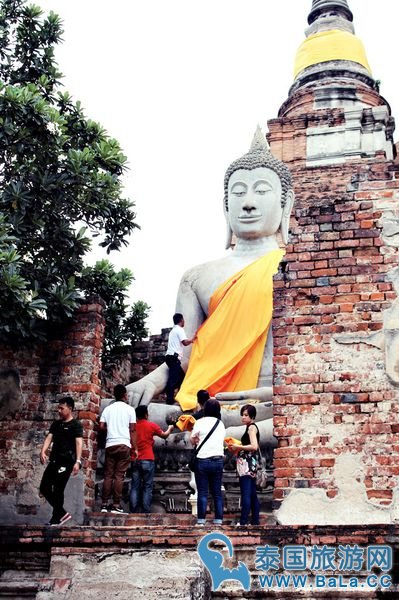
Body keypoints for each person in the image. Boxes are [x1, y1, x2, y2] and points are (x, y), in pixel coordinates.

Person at [127, 127, 294, 421]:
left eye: (263, 191)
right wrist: (150, 382)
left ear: (286, 203)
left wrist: (278, 394)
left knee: (280, 416)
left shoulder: (295, 267)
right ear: (225, 206)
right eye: (238, 192)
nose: (248, 202)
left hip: (271, 398)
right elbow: (186, 354)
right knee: (127, 412)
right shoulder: (197, 277)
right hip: (207, 400)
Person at [39, 396, 83, 526]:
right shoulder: (56, 424)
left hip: (67, 462)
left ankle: (56, 518)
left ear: (69, 409)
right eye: (58, 408)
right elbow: (49, 438)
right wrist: (43, 451)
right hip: (54, 461)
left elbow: (79, 443)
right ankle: (62, 513)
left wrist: (78, 461)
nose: (58, 410)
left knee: (58, 489)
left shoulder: (76, 425)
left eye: (61, 408)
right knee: (44, 487)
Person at [99, 384, 137, 513]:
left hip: (110, 444)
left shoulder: (107, 410)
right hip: (124, 444)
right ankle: (116, 505)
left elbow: (101, 426)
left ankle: (104, 504)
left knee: (108, 475)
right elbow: (132, 430)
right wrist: (135, 448)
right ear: (125, 395)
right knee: (119, 476)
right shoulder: (130, 410)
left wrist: (110, 429)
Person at [129, 405, 174, 513]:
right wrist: (170, 428)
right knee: (147, 486)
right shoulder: (151, 425)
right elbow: (164, 435)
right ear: (146, 414)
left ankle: (133, 511)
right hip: (148, 458)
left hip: (135, 459)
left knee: (135, 486)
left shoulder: (132, 427)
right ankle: (146, 510)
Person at [190, 399, 226, 526]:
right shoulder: (220, 424)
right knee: (217, 493)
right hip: (217, 460)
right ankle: (218, 520)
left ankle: (201, 521)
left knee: (203, 492)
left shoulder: (199, 422)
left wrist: (195, 439)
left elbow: (193, 440)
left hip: (203, 460)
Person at [228, 404, 260, 526]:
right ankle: (255, 521)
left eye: (246, 415)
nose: (243, 417)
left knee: (246, 493)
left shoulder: (251, 428)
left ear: (252, 416)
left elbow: (254, 446)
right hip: (249, 463)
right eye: (242, 415)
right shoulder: (250, 427)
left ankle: (243, 522)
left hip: (247, 464)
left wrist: (238, 447)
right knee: (252, 493)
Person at [164, 313, 196, 405]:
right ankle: (169, 399)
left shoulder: (173, 331)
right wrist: (192, 339)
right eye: (183, 320)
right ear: (181, 320)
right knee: (173, 379)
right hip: (174, 358)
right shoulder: (179, 330)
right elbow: (185, 342)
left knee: (181, 378)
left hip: (170, 357)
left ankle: (178, 396)